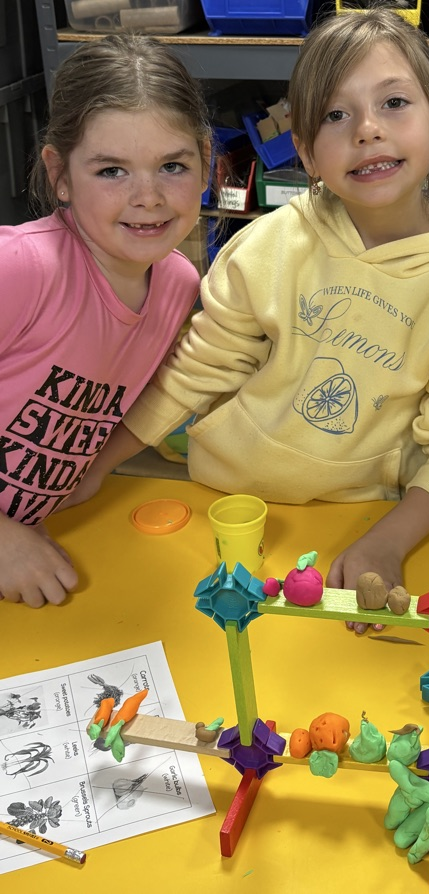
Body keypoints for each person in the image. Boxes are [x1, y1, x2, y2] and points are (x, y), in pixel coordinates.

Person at [72, 8, 429, 630]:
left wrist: (388, 542)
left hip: (360, 521)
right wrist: (95, 467)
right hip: (220, 507)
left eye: (394, 102)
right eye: (335, 115)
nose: (367, 130)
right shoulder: (269, 243)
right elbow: (196, 370)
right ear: (305, 152)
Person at [0, 34, 212, 607]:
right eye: (112, 170)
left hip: (42, 544)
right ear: (60, 173)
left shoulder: (177, 285)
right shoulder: (20, 266)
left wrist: (97, 468)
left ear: (205, 162)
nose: (148, 197)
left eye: (172, 166)